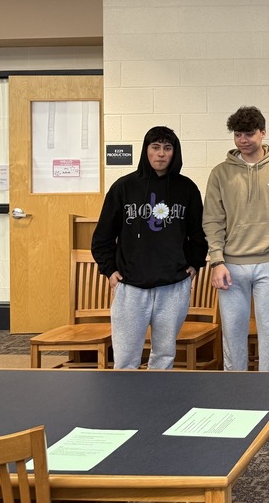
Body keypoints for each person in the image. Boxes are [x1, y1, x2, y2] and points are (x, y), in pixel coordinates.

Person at [92, 126, 208, 369]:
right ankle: (124, 405)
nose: (161, 154)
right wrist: (109, 269)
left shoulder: (187, 188)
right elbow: (102, 236)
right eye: (155, 147)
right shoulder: (123, 187)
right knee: (125, 358)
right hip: (131, 287)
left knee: (164, 355)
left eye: (167, 148)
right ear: (146, 151)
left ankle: (158, 403)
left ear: (175, 153)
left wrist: (195, 264)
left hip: (173, 286)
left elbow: (198, 233)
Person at [204, 106, 269, 372]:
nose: (243, 140)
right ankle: (237, 394)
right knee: (233, 334)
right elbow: (212, 219)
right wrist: (216, 261)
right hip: (231, 266)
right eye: (238, 134)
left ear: (263, 133)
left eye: (249, 134)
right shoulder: (220, 173)